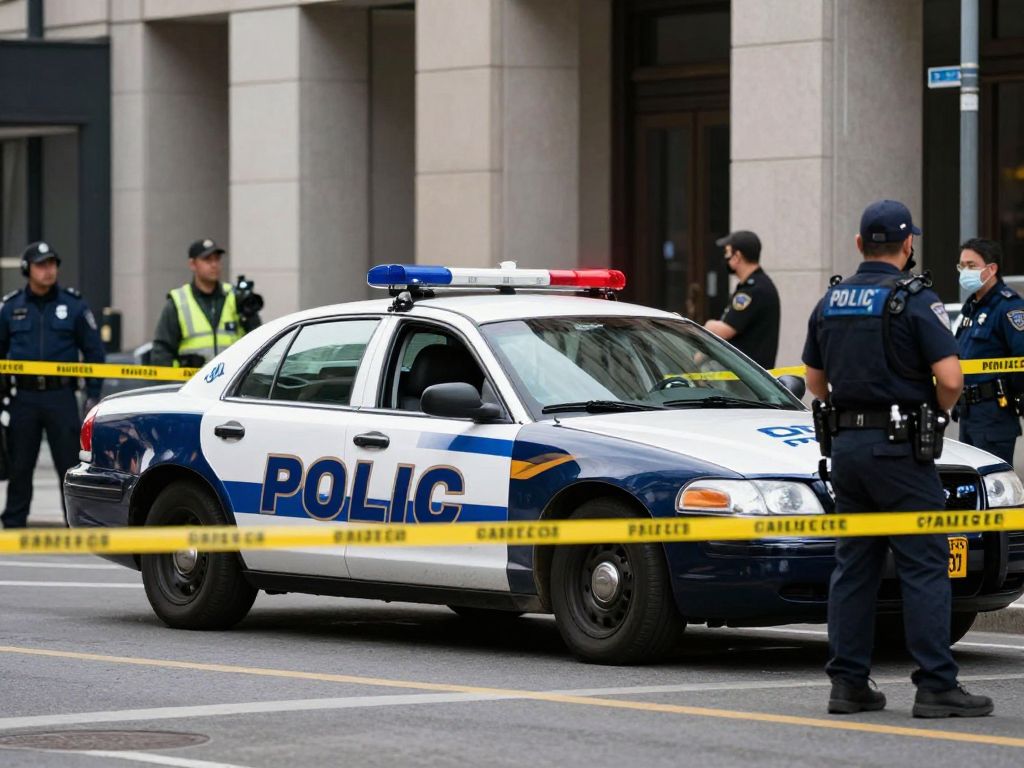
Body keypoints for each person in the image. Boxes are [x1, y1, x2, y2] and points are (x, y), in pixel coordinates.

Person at [802, 199, 993, 718]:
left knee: (854, 567)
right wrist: (935, 412)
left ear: (859, 244)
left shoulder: (831, 301)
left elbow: (815, 382)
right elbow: (950, 378)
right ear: (908, 245)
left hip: (846, 450)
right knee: (925, 565)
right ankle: (936, 685)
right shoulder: (915, 299)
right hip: (901, 451)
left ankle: (848, 684)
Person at [0, 241, 106, 529]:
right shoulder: (11, 307)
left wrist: (93, 395)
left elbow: (94, 352)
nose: (48, 270)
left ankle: (75, 526)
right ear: (27, 269)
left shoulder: (73, 305)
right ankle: (14, 524)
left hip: (61, 397)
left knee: (69, 466)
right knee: (20, 464)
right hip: (23, 397)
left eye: (52, 264)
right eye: (41, 265)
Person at [953, 238, 1024, 466]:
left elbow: (1021, 358)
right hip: (968, 414)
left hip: (994, 415)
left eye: (971, 266)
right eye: (962, 266)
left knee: (992, 482)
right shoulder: (971, 308)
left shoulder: (1009, 307)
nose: (965, 272)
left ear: (991, 269)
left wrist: (1012, 396)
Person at [151, 239, 261, 367]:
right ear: (192, 264)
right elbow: (162, 352)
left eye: (217, 259)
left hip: (231, 378)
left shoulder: (235, 296)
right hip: (192, 379)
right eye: (207, 260)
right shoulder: (178, 301)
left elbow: (258, 340)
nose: (214, 265)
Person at [704, 230, 780, 368]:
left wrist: (709, 325)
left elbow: (724, 331)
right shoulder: (757, 285)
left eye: (727, 253)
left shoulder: (753, 290)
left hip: (747, 375)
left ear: (737, 256)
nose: (725, 258)